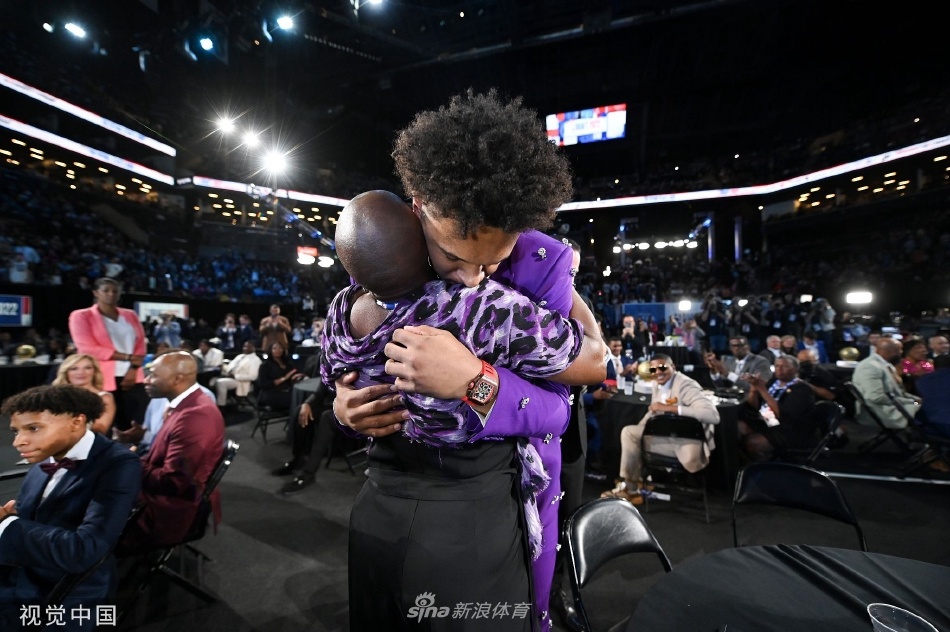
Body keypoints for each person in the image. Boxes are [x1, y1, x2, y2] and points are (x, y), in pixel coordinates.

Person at [335, 91, 604, 632]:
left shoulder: (538, 264)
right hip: (384, 498)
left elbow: (584, 376)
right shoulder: (385, 252)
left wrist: (475, 381)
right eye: (454, 256)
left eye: (494, 262)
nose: (474, 279)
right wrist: (346, 407)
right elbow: (348, 365)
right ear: (418, 206)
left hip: (476, 507)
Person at [0, 385, 141, 629]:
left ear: (76, 422)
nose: (18, 442)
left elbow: (85, 550)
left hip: (68, 593)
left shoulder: (119, 464)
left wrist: (8, 524)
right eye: (16, 431)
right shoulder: (47, 455)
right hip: (26, 570)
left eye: (33, 428)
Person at [119, 352, 225, 553]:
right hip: (161, 496)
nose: (146, 381)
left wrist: (128, 461)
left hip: (168, 511)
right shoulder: (186, 405)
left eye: (153, 375)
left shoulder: (195, 416)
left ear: (178, 379)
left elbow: (174, 482)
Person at [601, 355, 719, 504]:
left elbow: (712, 416)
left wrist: (671, 408)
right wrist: (642, 427)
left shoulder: (686, 385)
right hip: (667, 436)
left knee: (632, 437)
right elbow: (654, 411)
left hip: (687, 445)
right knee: (630, 433)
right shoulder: (657, 383)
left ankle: (631, 488)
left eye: (662, 367)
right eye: (653, 369)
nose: (657, 372)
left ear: (673, 367)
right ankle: (634, 482)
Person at [68, 277, 147, 430]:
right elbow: (87, 348)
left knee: (136, 421)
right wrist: (127, 357)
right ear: (96, 293)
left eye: (115, 291)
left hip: (133, 375)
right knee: (105, 422)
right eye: (106, 290)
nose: (111, 294)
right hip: (101, 376)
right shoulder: (81, 316)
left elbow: (140, 344)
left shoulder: (130, 315)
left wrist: (133, 368)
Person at [739, 355, 817, 461]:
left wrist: (762, 390)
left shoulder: (803, 389)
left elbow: (782, 414)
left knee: (753, 443)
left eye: (785, 366)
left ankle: (767, 467)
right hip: (767, 421)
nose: (779, 369)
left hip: (789, 429)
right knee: (736, 428)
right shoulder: (774, 382)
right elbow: (753, 407)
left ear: (795, 369)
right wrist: (754, 390)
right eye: (777, 366)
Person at [852, 338, 921, 430]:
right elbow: (876, 397)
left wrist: (917, 400)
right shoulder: (869, 367)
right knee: (931, 413)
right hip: (883, 411)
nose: (901, 353)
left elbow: (900, 393)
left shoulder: (887, 365)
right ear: (892, 352)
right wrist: (913, 402)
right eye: (900, 350)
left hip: (896, 406)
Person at [52, 354, 116, 434]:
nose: (81, 372)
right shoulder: (55, 396)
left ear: (94, 371)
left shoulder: (104, 398)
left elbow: (100, 429)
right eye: (74, 369)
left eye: (87, 368)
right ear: (66, 372)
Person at [704, 335, 772, 392]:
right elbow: (721, 386)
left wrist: (727, 373)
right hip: (729, 398)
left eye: (739, 346)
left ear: (748, 347)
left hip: (748, 399)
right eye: (732, 346)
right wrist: (714, 370)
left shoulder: (761, 362)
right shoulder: (727, 362)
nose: (735, 349)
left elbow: (759, 387)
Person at [211, 341, 262, 406]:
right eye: (245, 346)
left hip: (241, 382)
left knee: (221, 383)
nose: (246, 348)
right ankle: (212, 403)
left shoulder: (255, 360)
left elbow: (253, 376)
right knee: (212, 381)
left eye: (249, 347)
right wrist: (223, 367)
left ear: (254, 348)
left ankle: (221, 405)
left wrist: (235, 376)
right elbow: (231, 368)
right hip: (229, 376)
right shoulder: (240, 356)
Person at [256, 342, 304, 410]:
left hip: (287, 390)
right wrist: (284, 378)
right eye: (275, 348)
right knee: (296, 401)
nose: (278, 350)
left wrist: (295, 378)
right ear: (270, 350)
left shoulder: (288, 363)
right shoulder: (265, 366)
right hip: (271, 393)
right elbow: (263, 385)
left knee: (302, 396)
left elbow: (292, 376)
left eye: (280, 348)